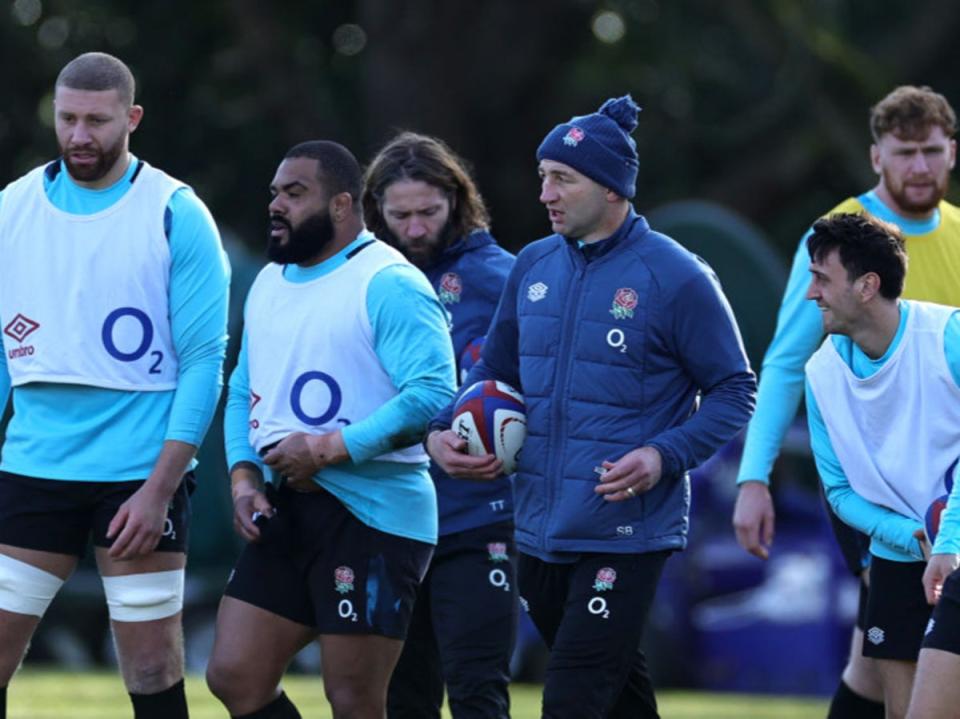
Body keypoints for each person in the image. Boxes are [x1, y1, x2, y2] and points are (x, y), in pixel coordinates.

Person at [426, 95, 756, 718]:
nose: (545, 193)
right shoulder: (533, 264)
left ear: (611, 189)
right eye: (543, 177)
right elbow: (493, 370)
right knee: (618, 695)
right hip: (540, 526)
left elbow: (736, 389)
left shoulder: (678, 276)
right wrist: (446, 428)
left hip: (626, 531)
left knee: (573, 699)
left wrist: (663, 456)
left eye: (562, 179)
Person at [0, 52, 230, 719]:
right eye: (67, 118)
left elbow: (204, 361)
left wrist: (159, 489)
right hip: (34, 466)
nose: (78, 135)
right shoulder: (11, 209)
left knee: (154, 662)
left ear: (130, 118)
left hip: (137, 474)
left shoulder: (175, 212)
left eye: (96, 121)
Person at [206, 140, 456, 719]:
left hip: (374, 516)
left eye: (295, 194)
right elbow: (245, 389)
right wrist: (245, 479)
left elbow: (433, 394)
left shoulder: (388, 280)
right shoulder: (270, 282)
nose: (277, 205)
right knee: (235, 675)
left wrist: (327, 448)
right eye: (275, 192)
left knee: (354, 700)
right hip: (289, 506)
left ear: (342, 205)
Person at [733, 84, 960, 718]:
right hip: (882, 489)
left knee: (873, 659)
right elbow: (784, 365)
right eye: (905, 152)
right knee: (892, 650)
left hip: (950, 477)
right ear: (876, 157)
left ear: (952, 153)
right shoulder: (837, 241)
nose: (920, 166)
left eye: (932, 151)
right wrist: (754, 477)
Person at [362, 131, 518, 719]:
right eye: (400, 214)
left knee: (478, 691)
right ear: (375, 210)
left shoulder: (502, 279)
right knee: (400, 699)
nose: (417, 228)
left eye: (429, 211)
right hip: (388, 514)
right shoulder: (361, 281)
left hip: (479, 518)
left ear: (457, 200)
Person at [804, 212, 960, 719]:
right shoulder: (820, 374)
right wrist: (908, 533)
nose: (811, 293)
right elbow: (840, 493)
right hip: (897, 560)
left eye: (822, 278)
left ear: (868, 285)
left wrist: (949, 539)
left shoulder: (948, 336)